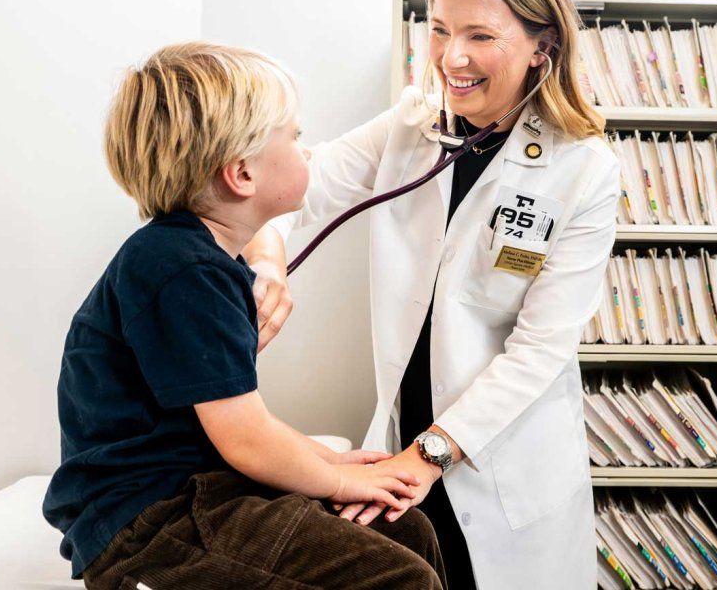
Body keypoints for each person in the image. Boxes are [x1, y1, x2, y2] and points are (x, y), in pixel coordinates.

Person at [245, 0, 620, 590]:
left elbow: (539, 350)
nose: (452, 57)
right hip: (400, 450)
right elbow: (287, 189)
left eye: (480, 35)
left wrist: (432, 454)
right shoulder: (411, 129)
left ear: (543, 46)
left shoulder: (583, 171)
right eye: (441, 29)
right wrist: (267, 264)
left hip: (498, 462)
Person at [42, 42, 446, 589]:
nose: (308, 153)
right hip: (149, 524)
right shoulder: (181, 269)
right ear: (241, 175)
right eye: (297, 139)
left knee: (406, 531)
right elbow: (246, 438)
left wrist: (329, 464)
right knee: (398, 575)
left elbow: (235, 422)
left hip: (197, 491)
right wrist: (333, 480)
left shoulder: (203, 261)